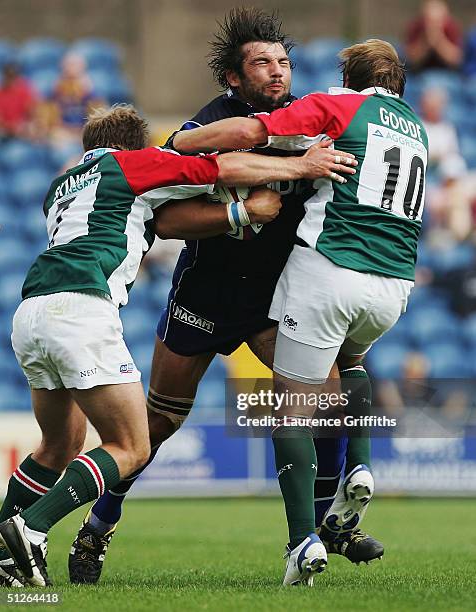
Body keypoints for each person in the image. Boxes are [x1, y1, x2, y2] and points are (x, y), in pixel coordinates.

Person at [67, 8, 381, 587]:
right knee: (157, 425)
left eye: (284, 61)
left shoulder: (308, 120)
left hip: (273, 298)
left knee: (330, 403)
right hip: (204, 296)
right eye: (262, 62)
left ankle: (322, 528)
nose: (277, 71)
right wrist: (237, 213)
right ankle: (97, 528)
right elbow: (166, 217)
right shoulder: (211, 123)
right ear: (234, 78)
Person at [0, 103, 338, 588]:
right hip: (81, 307)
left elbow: (150, 219)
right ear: (134, 145)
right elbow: (219, 167)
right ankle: (29, 529)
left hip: (30, 311)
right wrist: (299, 169)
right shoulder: (132, 163)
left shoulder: (59, 186)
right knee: (132, 446)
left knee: (58, 445)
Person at [172, 38, 428, 585]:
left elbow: (248, 132)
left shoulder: (340, 105)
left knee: (292, 409)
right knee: (350, 365)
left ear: (350, 80)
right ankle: (358, 468)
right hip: (394, 287)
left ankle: (301, 541)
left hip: (332, 272)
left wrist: (181, 139)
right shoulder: (417, 127)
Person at [405, 0, 462, 72]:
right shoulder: (416, 27)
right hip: (418, 74)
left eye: (437, 21)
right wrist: (425, 44)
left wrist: (439, 42)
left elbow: (456, 60)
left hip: (447, 74)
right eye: (429, 21)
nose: (433, 25)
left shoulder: (452, 27)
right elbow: (409, 59)